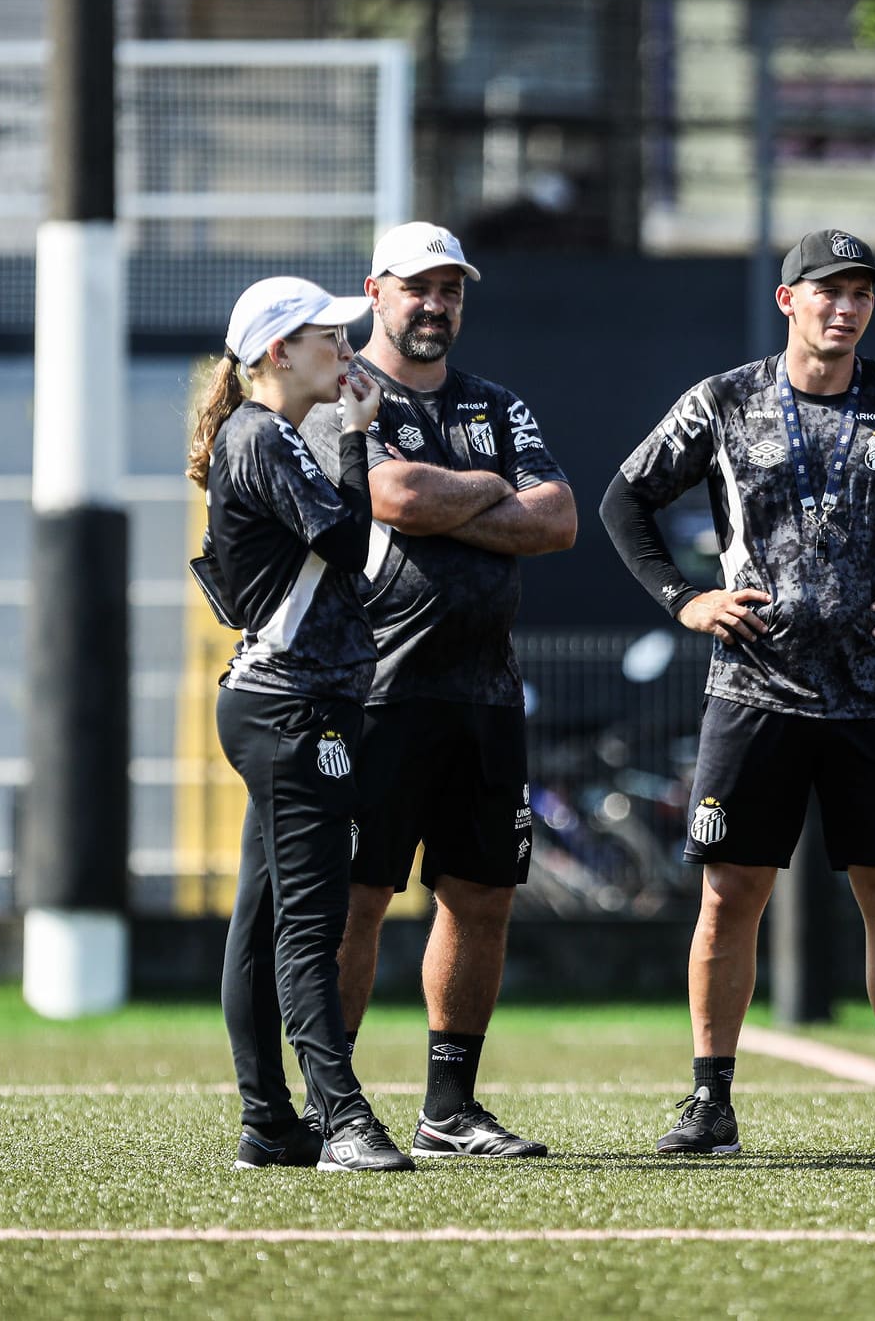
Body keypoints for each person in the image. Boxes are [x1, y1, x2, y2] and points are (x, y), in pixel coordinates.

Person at [599, 229, 875, 1156]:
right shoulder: (724, 399)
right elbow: (624, 499)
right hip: (755, 690)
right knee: (728, 893)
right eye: (828, 291)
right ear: (789, 300)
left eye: (862, 293)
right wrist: (686, 598)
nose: (846, 307)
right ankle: (709, 1100)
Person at [293, 221, 576, 1158]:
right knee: (361, 898)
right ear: (374, 291)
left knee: (481, 896)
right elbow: (395, 499)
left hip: (488, 694)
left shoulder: (498, 403)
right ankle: (329, 1107)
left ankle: (449, 1107)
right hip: (379, 691)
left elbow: (561, 519)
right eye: (418, 287)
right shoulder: (347, 395)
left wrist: (457, 494)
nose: (435, 304)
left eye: (450, 289)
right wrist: (494, 490)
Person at [189, 275, 413, 1173]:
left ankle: (269, 1123)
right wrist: (356, 441)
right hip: (292, 706)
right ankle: (341, 1117)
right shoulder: (263, 433)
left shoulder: (258, 432)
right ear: (279, 351)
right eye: (330, 338)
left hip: (278, 700)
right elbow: (347, 540)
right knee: (308, 921)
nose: (347, 351)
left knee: (266, 915)